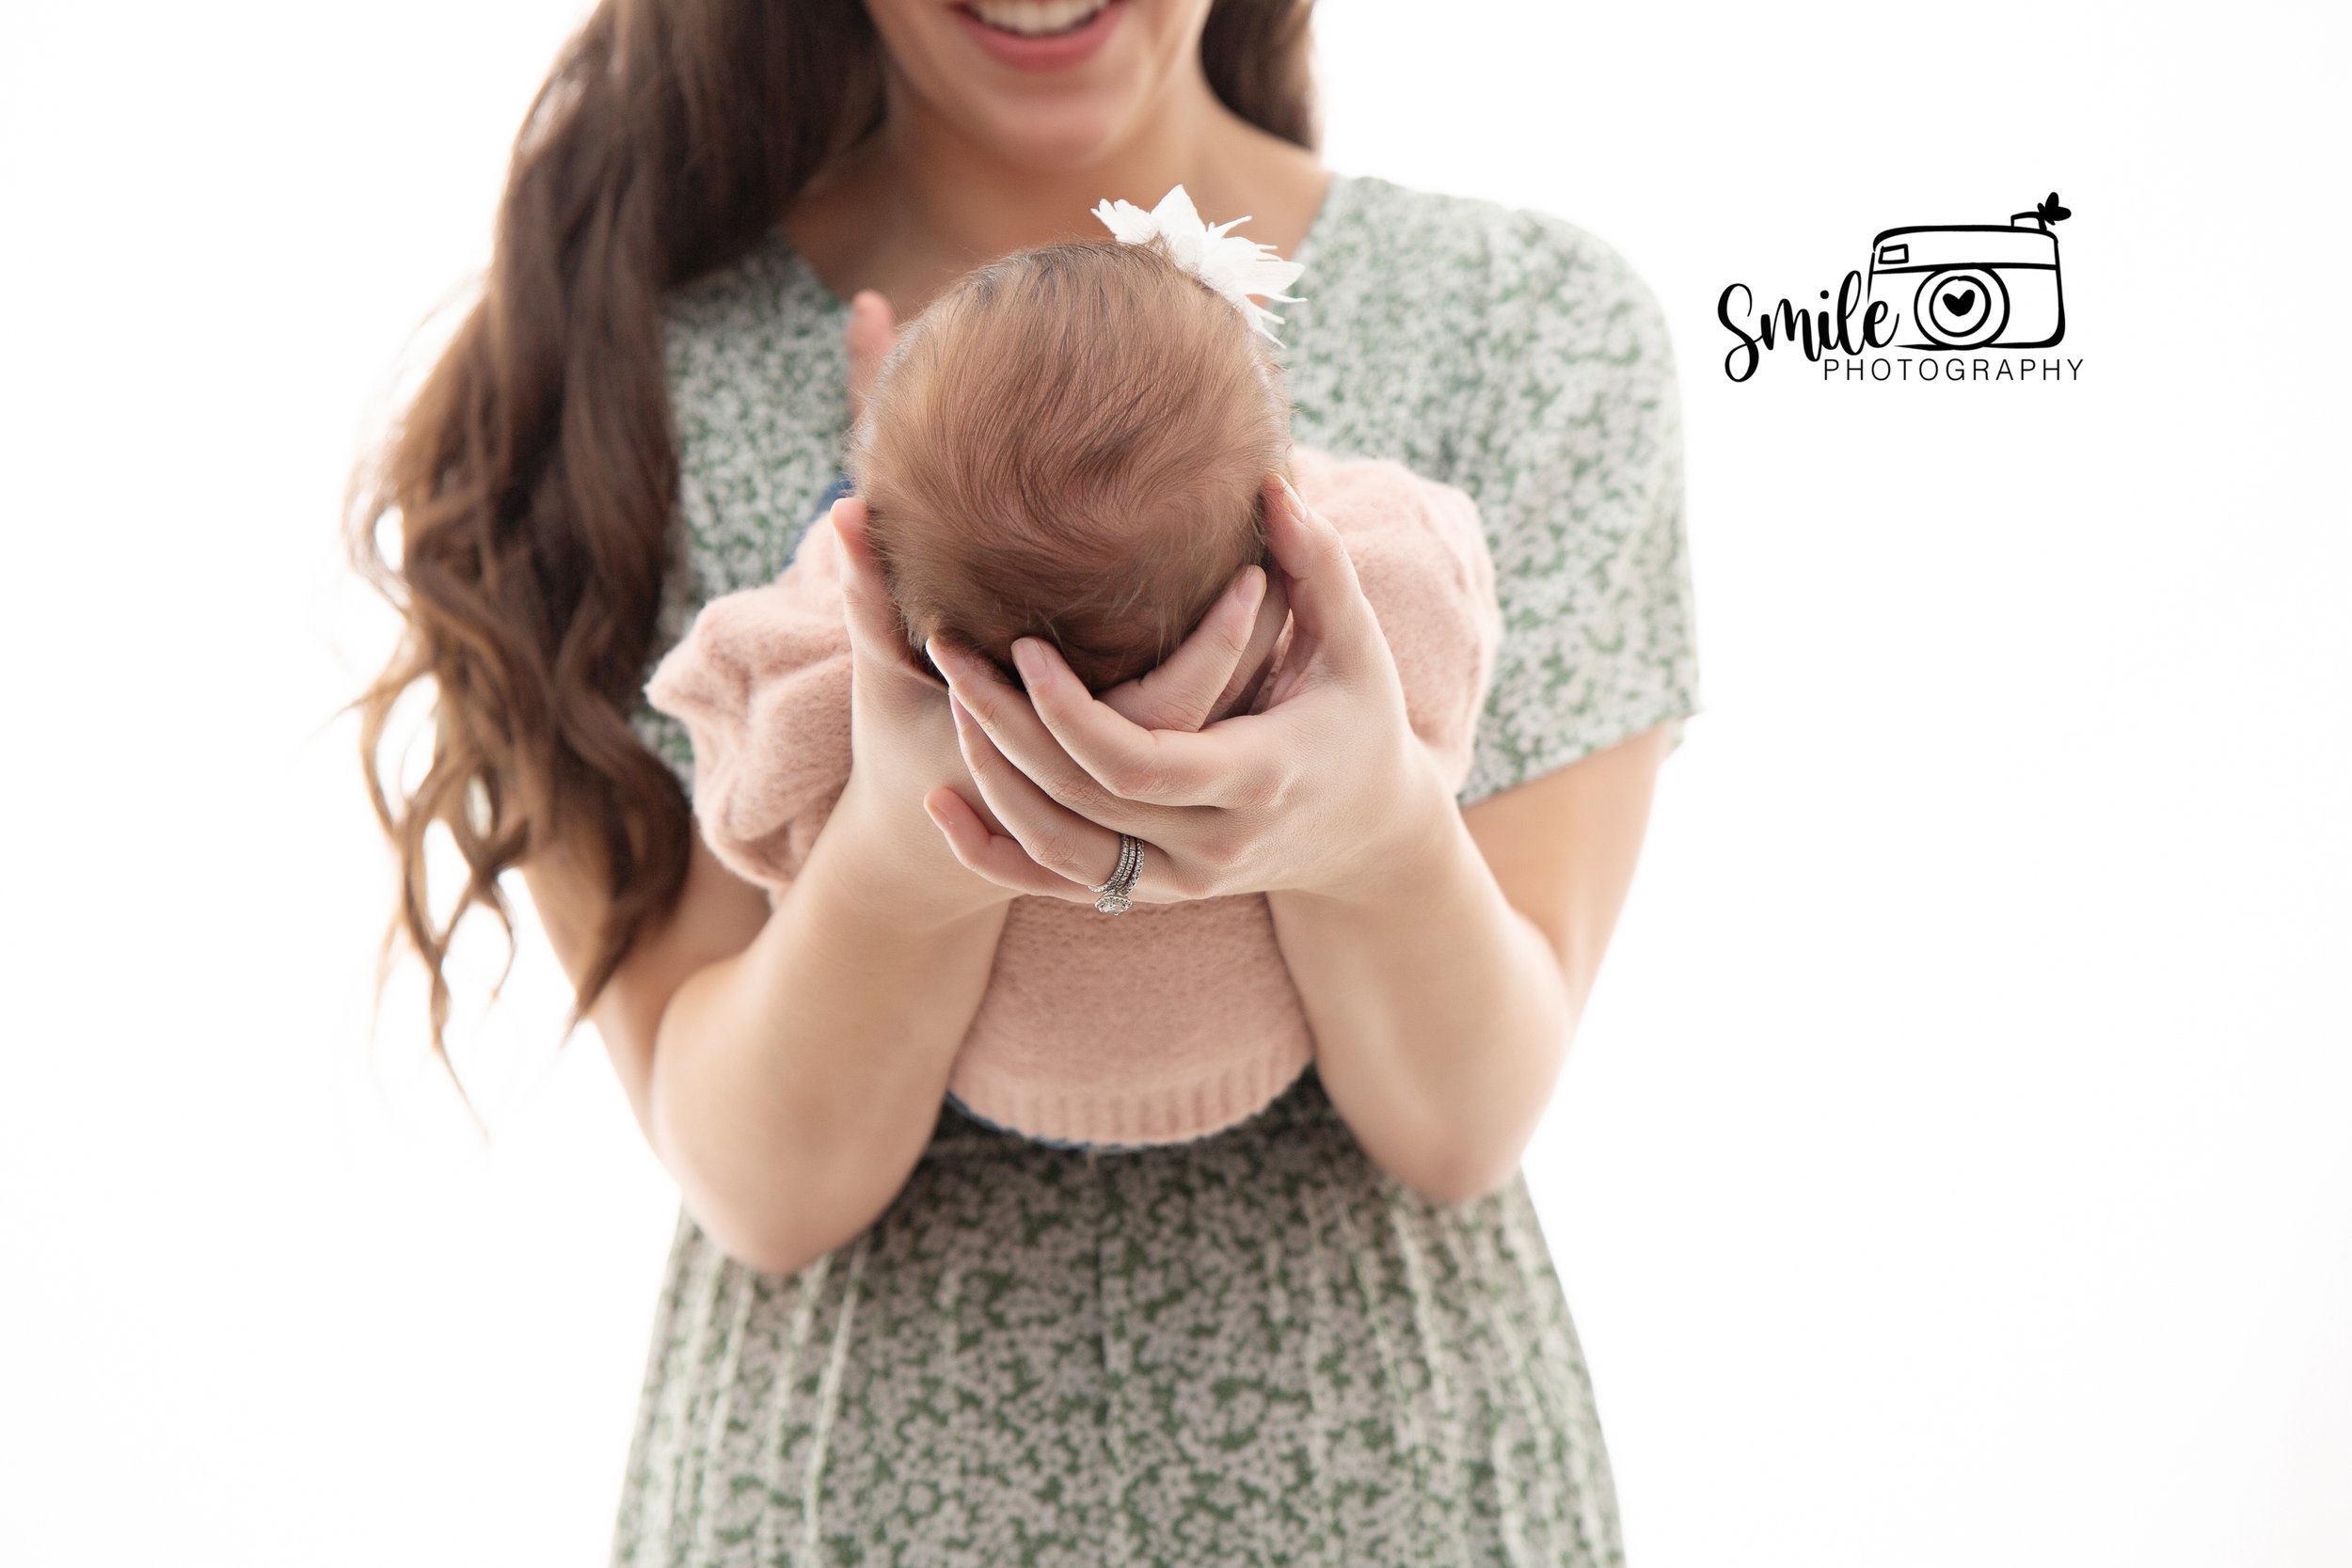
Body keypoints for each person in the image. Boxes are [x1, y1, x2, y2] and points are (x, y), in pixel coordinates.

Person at [345, 0, 1699, 1560]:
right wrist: (912, 835)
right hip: (846, 1510)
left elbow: (1464, 1123)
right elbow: (767, 1188)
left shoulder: (1527, 328)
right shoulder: (610, 386)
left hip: (1387, 1496)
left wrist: (1372, 831)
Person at [639, 214, 1504, 1152]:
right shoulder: (1381, 614)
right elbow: (1441, 561)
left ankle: (892, 515)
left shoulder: (831, 698)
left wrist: (873, 543)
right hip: (1269, 1046)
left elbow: (743, 770)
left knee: (855, 542)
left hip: (978, 1079)